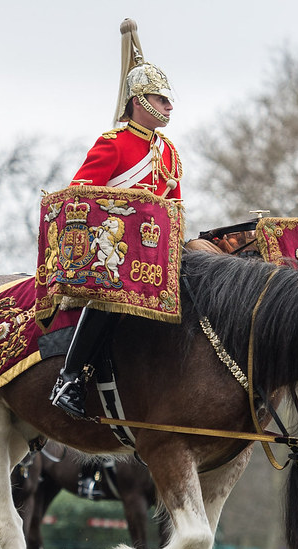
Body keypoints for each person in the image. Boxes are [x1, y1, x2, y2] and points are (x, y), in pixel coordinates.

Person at [50, 18, 183, 419]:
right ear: (139, 100)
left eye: (169, 100)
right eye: (161, 99)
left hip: (154, 256)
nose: (170, 106)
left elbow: (174, 207)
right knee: (111, 295)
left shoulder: (169, 153)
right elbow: (80, 198)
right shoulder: (113, 144)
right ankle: (70, 377)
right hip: (112, 251)